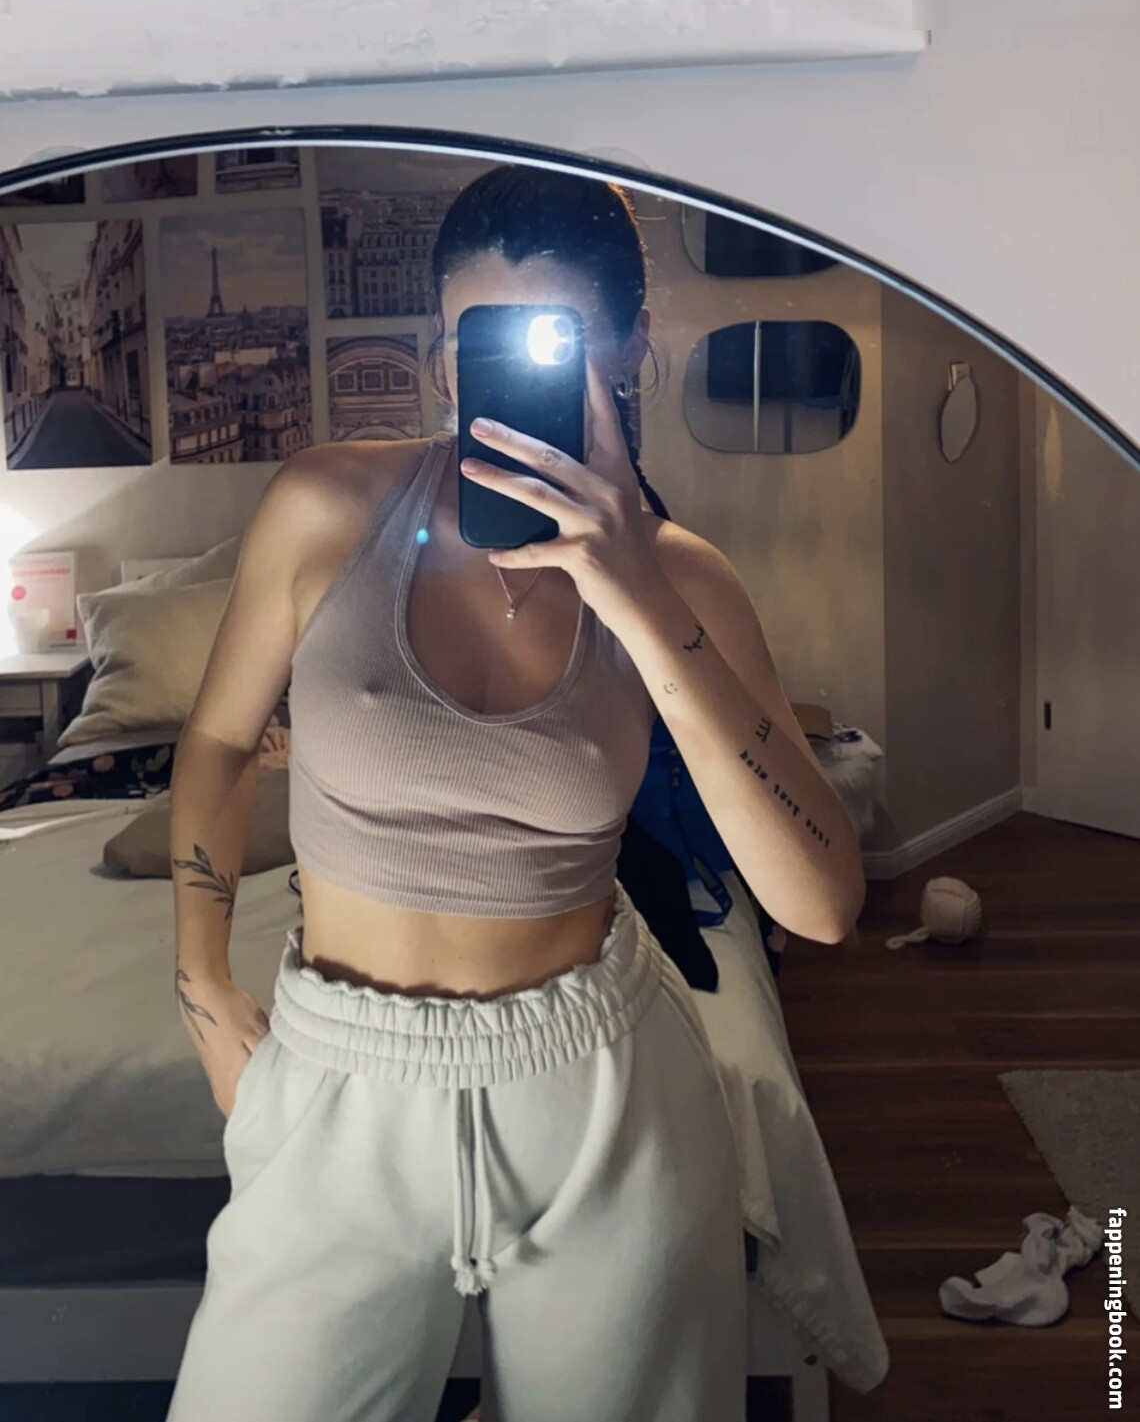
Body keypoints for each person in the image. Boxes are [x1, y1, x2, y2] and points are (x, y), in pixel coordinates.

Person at [165, 164, 865, 1422]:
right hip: (336, 1082)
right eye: (473, 344)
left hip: (599, 1091)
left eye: (555, 341)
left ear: (632, 347)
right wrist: (204, 983)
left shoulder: (685, 581)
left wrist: (639, 600)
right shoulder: (325, 506)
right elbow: (219, 741)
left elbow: (820, 902)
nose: (495, 381)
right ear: (442, 354)